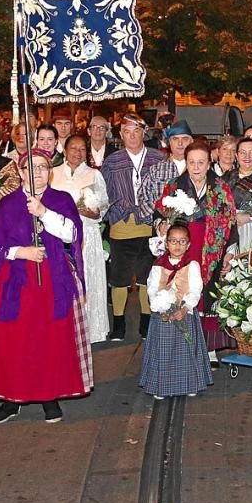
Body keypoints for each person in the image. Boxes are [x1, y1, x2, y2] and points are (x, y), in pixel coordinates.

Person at [0, 148, 91, 424]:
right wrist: (18, 252)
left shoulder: (60, 199)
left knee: (49, 338)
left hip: (52, 277)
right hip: (13, 281)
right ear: (21, 172)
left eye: (41, 167)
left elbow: (72, 234)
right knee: (13, 339)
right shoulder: (8, 203)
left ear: (49, 171)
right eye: (30, 168)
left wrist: (44, 212)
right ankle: (11, 398)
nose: (35, 172)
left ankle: (50, 395)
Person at [152, 141, 238, 356]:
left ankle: (209, 351)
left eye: (201, 162)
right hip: (183, 248)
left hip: (210, 250)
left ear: (209, 163)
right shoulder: (174, 186)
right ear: (186, 163)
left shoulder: (220, 187)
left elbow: (230, 221)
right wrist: (161, 224)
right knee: (181, 291)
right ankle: (181, 346)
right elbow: (159, 212)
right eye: (192, 162)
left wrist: (228, 252)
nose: (196, 167)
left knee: (208, 296)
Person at [103, 114, 165, 341]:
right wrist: (112, 213)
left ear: (144, 133)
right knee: (119, 277)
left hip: (150, 227)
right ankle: (118, 324)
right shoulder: (112, 161)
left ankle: (146, 324)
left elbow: (166, 191)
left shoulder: (158, 158)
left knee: (147, 278)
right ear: (120, 135)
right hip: (122, 224)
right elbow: (104, 193)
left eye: (136, 131)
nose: (132, 136)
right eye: (127, 131)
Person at [140, 222, 211, 399]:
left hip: (184, 313)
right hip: (163, 314)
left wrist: (185, 307)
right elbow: (151, 288)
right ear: (166, 243)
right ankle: (161, 386)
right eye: (173, 241)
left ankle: (190, 383)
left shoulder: (192, 266)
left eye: (181, 242)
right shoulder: (158, 266)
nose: (177, 245)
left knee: (185, 350)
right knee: (163, 351)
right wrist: (160, 307)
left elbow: (196, 289)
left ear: (188, 244)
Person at [52, 133, 111, 344]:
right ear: (65, 150)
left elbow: (102, 208)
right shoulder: (53, 173)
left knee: (87, 277)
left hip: (87, 233)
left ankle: (89, 329)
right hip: (58, 234)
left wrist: (88, 211)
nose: (78, 153)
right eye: (73, 148)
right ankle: (62, 326)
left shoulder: (94, 175)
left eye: (82, 149)